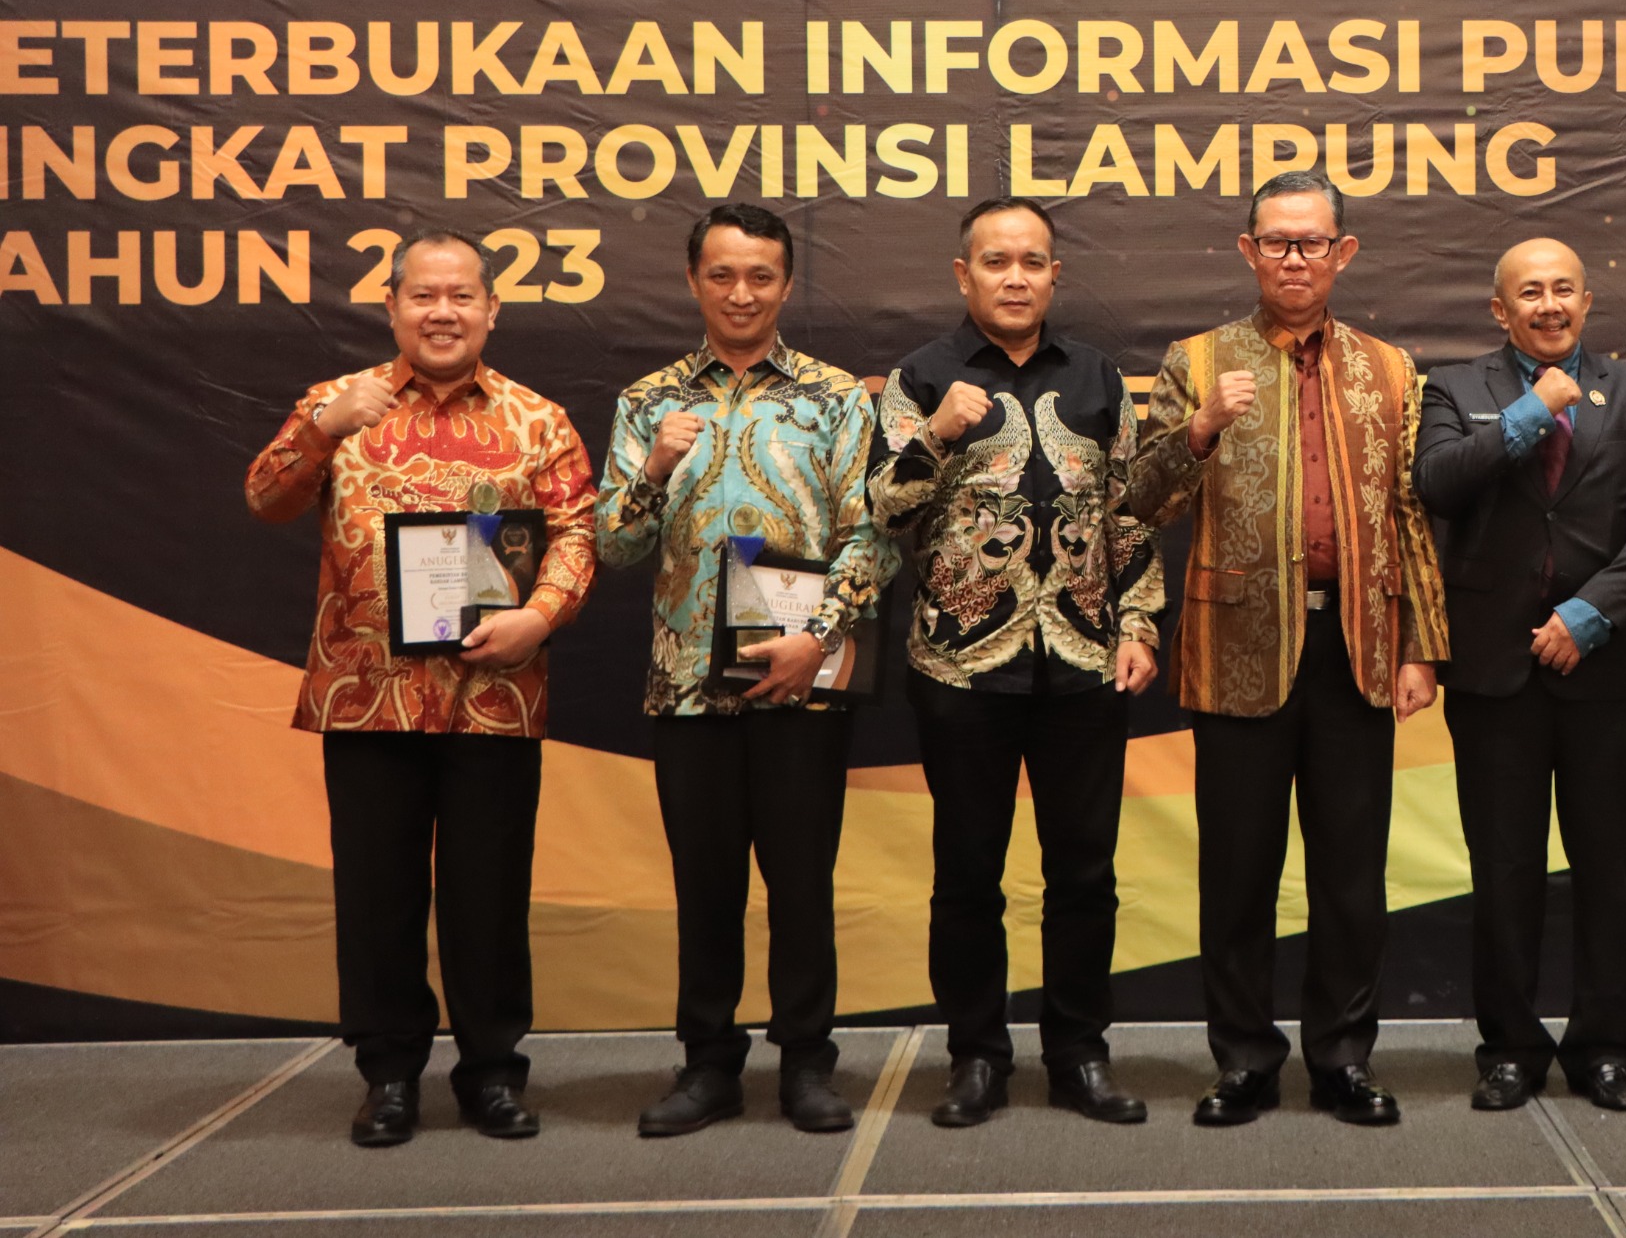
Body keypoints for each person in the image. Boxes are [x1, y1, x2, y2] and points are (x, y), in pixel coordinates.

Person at [246, 229, 596, 1148]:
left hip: (495, 696)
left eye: (461, 296)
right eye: (424, 296)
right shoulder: (336, 403)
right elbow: (266, 499)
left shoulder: (538, 419)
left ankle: (493, 1074)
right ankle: (389, 1075)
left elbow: (577, 534)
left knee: (489, 897)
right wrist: (322, 428)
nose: (443, 313)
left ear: (491, 310)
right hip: (367, 695)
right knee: (378, 896)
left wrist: (540, 617)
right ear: (393, 306)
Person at [1124, 170, 1450, 1128]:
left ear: (1343, 252)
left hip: (1358, 648)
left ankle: (1343, 1060)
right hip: (1237, 650)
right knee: (1237, 875)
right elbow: (1141, 502)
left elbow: (1409, 515)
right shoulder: (1196, 361)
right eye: (1276, 241)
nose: (1294, 258)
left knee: (1351, 879)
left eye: (1312, 242)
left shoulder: (1390, 369)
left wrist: (1422, 646)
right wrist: (1199, 428)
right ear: (1248, 251)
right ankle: (1243, 1062)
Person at [869, 197, 1166, 1129]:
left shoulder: (1098, 375)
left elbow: (1129, 513)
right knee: (968, 875)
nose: (1015, 277)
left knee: (1084, 875)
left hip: (1083, 661)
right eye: (996, 262)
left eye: (1032, 262)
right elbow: (881, 510)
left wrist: (1139, 625)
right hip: (962, 667)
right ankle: (975, 1056)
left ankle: (1080, 1052)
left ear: (1054, 275)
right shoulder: (923, 377)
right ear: (964, 274)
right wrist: (937, 433)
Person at [595, 204, 891, 1138]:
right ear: (693, 282)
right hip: (687, 685)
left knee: (802, 885)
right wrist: (653, 469)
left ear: (787, 285)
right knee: (706, 887)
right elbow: (613, 546)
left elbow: (872, 538)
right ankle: (708, 1065)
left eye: (760, 276)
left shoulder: (837, 398)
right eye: (721, 275)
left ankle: (806, 1062)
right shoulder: (648, 402)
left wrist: (819, 639)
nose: (740, 293)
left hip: (803, 679)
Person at [1413, 237, 1626, 1114]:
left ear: (1587, 300)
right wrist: (1532, 411)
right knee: (1503, 870)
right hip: (1493, 672)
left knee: (1608, 869)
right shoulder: (1454, 388)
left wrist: (1591, 612)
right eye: (1529, 293)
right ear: (1500, 311)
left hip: (1597, 666)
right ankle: (1509, 1049)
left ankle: (1605, 1049)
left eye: (1563, 289)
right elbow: (1438, 485)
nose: (1549, 305)